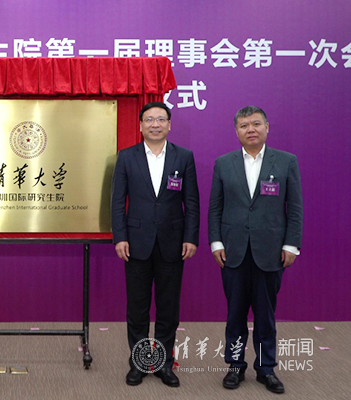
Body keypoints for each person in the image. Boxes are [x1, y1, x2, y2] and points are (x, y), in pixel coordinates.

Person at [208, 106, 303, 394]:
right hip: (232, 251)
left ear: (267, 127)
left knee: (265, 315)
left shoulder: (286, 162)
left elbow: (295, 208)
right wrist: (216, 242)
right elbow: (215, 207)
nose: (250, 129)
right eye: (244, 125)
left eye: (256, 124)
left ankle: (266, 368)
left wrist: (291, 244)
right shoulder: (223, 163)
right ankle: (235, 366)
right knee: (235, 314)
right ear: (236, 131)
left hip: (270, 251)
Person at [111, 102, 200, 387]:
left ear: (169, 125)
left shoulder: (183, 157)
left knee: (168, 309)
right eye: (149, 119)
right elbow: (117, 201)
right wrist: (120, 237)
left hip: (173, 243)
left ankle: (163, 364)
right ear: (141, 126)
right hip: (136, 243)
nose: (155, 124)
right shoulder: (127, 157)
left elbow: (192, 202)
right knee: (137, 309)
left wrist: (191, 237)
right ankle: (139, 363)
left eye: (161, 119)